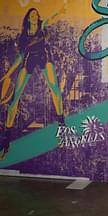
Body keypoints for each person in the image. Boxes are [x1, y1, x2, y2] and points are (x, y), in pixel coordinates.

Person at [0, 6, 66, 160]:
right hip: (29, 60)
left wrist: (59, 11)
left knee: (55, 92)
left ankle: (62, 132)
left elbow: (50, 19)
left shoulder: (42, 27)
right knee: (14, 100)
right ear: (28, 19)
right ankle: (6, 143)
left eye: (37, 14)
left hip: (44, 58)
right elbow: (19, 59)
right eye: (32, 14)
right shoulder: (23, 37)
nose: (35, 16)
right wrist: (7, 75)